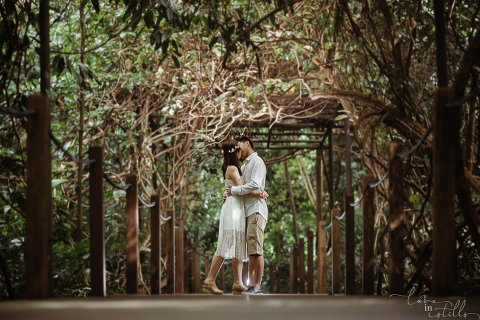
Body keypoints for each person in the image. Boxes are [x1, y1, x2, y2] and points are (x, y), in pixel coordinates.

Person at [203, 140, 267, 295]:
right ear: (234, 153)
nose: (240, 152)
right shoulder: (235, 168)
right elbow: (239, 189)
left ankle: (238, 282)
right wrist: (260, 193)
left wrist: (231, 192)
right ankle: (210, 280)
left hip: (239, 208)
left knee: (237, 243)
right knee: (227, 241)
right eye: (238, 149)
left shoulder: (245, 165)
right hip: (235, 208)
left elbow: (236, 189)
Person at [225, 136, 268, 295]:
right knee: (251, 250)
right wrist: (229, 193)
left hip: (256, 209)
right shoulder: (244, 165)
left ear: (247, 143)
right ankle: (251, 286)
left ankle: (256, 286)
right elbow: (240, 187)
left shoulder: (257, 162)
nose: (238, 149)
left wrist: (234, 191)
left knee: (256, 249)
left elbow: (256, 184)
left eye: (239, 145)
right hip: (246, 210)